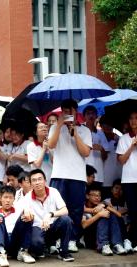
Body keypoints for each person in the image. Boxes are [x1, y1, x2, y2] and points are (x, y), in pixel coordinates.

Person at [47, 99, 92, 253]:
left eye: (71, 111)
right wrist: (59, 125)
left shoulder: (85, 130)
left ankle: (72, 239)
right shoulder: (54, 127)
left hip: (78, 176)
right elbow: (51, 145)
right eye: (65, 110)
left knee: (76, 210)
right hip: (59, 174)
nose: (68, 113)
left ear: (76, 111)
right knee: (57, 209)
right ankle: (56, 240)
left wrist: (75, 134)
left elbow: (85, 152)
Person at [27, 169, 74, 262]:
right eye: (34, 180)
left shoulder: (54, 191)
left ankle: (63, 252)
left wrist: (50, 214)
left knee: (66, 220)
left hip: (53, 226)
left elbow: (65, 210)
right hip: (38, 228)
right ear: (31, 184)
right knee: (36, 245)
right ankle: (43, 248)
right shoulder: (27, 197)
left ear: (45, 181)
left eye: (40, 179)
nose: (37, 182)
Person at [0, 185, 35, 266]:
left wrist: (27, 211)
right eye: (5, 197)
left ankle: (23, 252)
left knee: (26, 217)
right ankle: (1, 254)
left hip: (15, 241)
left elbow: (29, 214)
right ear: (0, 198)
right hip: (3, 241)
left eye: (10, 197)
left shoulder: (19, 209)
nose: (8, 200)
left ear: (14, 199)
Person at [81, 185, 127, 255]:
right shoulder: (83, 207)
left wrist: (106, 206)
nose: (97, 198)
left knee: (109, 213)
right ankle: (104, 245)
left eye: (99, 196)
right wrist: (99, 215)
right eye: (94, 195)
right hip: (90, 239)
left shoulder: (101, 205)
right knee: (103, 215)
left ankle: (117, 245)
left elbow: (119, 215)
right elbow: (84, 225)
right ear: (87, 196)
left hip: (102, 236)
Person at [116, 111, 137, 251]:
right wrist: (132, 146)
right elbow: (121, 160)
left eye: (136, 118)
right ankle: (132, 240)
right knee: (133, 211)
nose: (133, 121)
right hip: (129, 179)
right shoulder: (123, 138)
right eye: (131, 118)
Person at [84, 105, 107, 187]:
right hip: (82, 173)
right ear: (84, 117)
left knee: (96, 198)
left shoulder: (101, 133)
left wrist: (101, 149)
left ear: (96, 116)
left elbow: (105, 157)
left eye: (93, 113)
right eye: (88, 113)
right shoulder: (79, 131)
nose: (91, 116)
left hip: (98, 174)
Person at [100, 115, 122, 199]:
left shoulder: (119, 139)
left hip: (117, 178)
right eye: (105, 124)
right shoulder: (98, 138)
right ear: (101, 125)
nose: (107, 127)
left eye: (110, 124)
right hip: (103, 180)